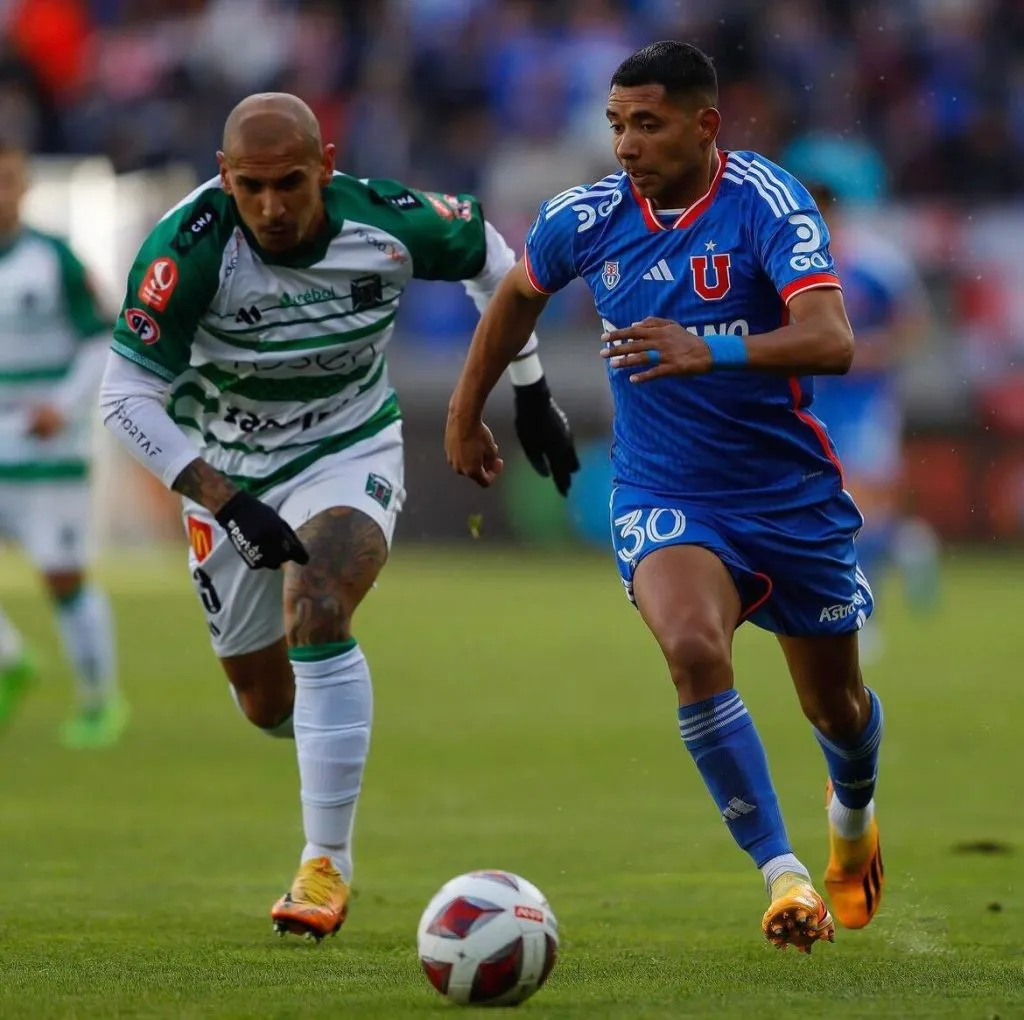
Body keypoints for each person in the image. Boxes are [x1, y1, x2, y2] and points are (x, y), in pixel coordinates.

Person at [98, 93, 578, 941]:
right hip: (226, 472)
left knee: (318, 601)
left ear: (326, 164)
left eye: (291, 183)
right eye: (252, 187)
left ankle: (325, 864)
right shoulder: (188, 247)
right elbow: (124, 394)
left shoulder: (387, 220)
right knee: (263, 701)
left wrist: (531, 386)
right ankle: (329, 725)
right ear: (224, 177)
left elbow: (498, 261)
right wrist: (224, 499)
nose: (273, 207)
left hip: (348, 447)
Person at [446, 41, 884, 953]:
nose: (627, 143)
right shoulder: (587, 217)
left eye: (647, 123)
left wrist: (707, 348)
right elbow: (516, 297)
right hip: (665, 490)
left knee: (835, 709)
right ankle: (784, 877)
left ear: (704, 123)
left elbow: (831, 338)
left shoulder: (767, 201)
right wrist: (467, 411)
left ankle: (852, 813)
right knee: (691, 648)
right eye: (616, 124)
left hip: (789, 495)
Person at [0, 138, 124, 749]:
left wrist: (63, 406)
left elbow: (103, 341)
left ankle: (101, 701)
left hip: (47, 450)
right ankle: (8, 660)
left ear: (23, 187)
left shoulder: (55, 260)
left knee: (61, 576)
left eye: (9, 181)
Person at [805, 180, 940, 662]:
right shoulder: (783, 260)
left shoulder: (874, 262)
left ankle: (865, 617)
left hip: (865, 403)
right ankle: (909, 546)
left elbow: (914, 324)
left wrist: (874, 351)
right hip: (812, 401)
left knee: (858, 508)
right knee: (828, 510)